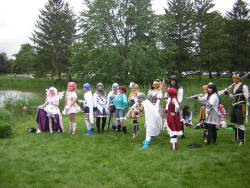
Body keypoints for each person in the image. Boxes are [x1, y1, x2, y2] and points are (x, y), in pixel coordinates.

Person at [225, 74, 249, 145]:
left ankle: (242, 140)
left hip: (241, 106)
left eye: (235, 78)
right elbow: (233, 97)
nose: (234, 80)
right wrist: (227, 93)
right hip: (234, 106)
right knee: (235, 122)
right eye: (233, 79)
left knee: (240, 123)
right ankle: (237, 138)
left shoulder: (243, 86)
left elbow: (247, 96)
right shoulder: (234, 86)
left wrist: (246, 94)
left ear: (239, 79)